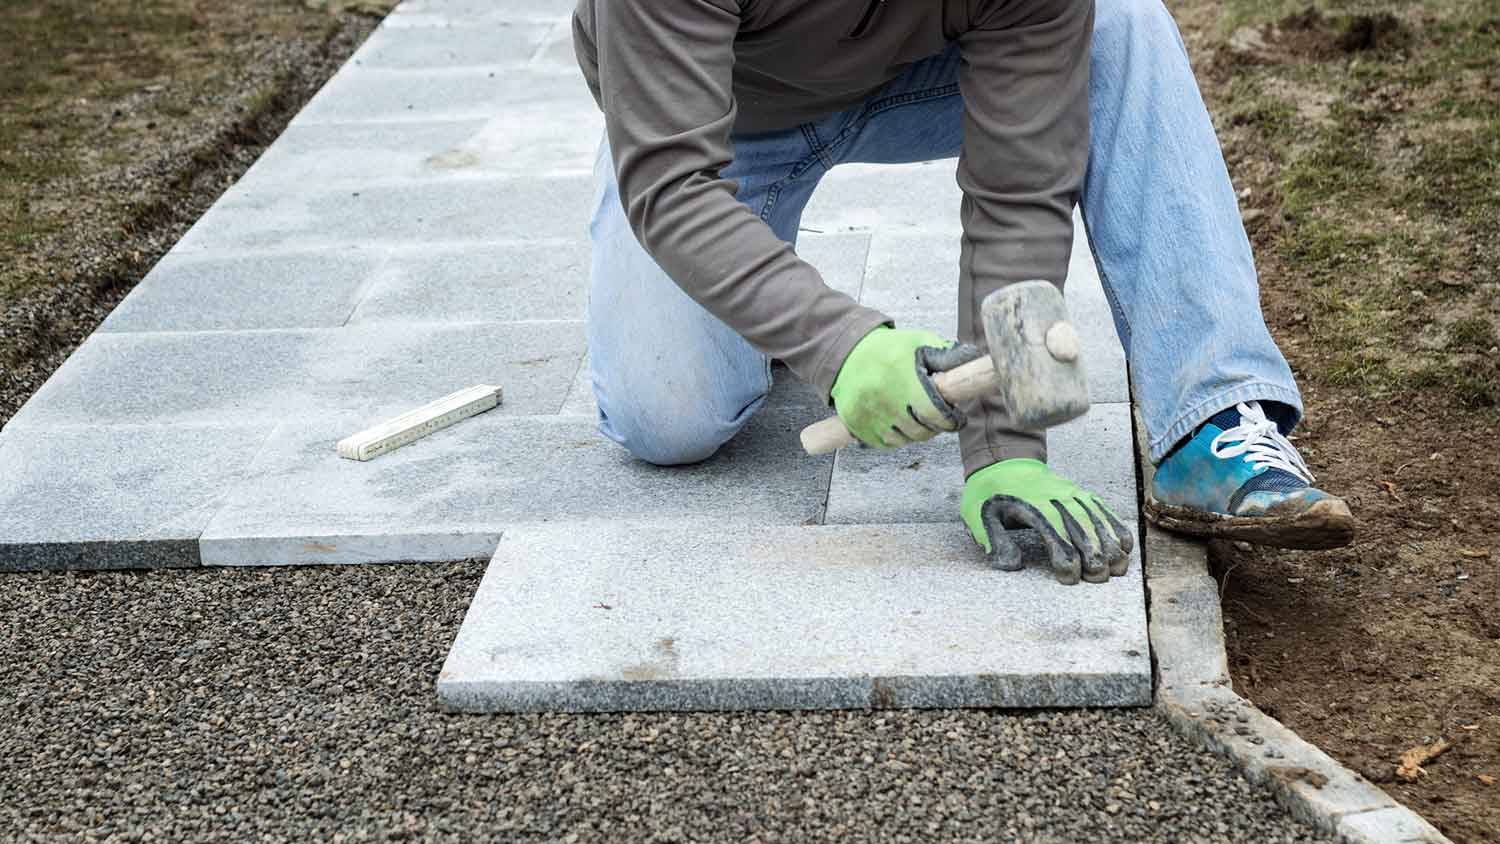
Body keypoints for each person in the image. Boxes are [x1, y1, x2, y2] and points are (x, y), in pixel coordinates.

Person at [571, 0, 1355, 585]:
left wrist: (1004, 450)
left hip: (922, 76)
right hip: (715, 122)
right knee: (666, 420)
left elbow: (1018, 191)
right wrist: (836, 342)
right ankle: (760, 278)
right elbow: (672, 182)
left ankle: (1211, 417)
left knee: (1118, 20)